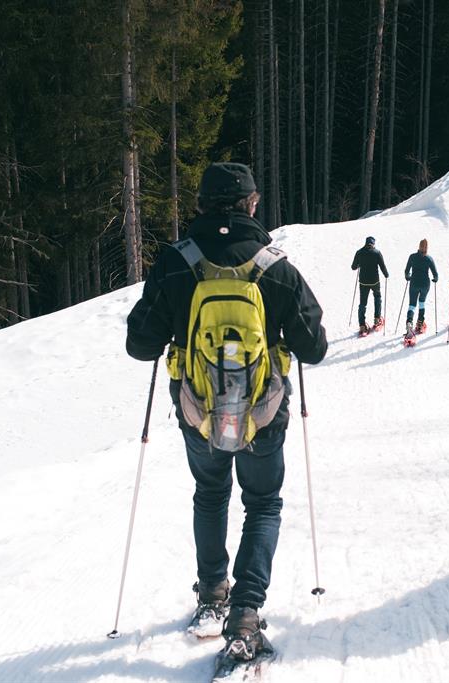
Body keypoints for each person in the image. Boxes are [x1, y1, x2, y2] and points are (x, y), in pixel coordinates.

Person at [125, 162, 327, 661]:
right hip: (263, 413)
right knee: (262, 503)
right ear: (252, 204)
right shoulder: (275, 266)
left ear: (200, 206)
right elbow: (315, 347)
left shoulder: (176, 261)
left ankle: (212, 596)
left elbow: (139, 344)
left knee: (210, 493)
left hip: (197, 411)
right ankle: (245, 615)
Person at [351, 236, 389, 335]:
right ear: (373, 243)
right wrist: (386, 274)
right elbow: (382, 266)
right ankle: (377, 320)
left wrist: (359, 264)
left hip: (363, 282)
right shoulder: (376, 252)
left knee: (362, 303)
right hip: (374, 281)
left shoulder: (359, 252)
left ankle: (362, 325)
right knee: (377, 297)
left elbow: (353, 267)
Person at [403, 239, 439, 335]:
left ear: (419, 246)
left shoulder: (412, 257)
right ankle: (420, 323)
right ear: (427, 248)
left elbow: (406, 271)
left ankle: (409, 323)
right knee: (422, 302)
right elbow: (435, 274)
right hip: (425, 284)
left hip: (414, 282)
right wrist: (435, 279)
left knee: (412, 304)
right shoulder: (429, 259)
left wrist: (408, 277)